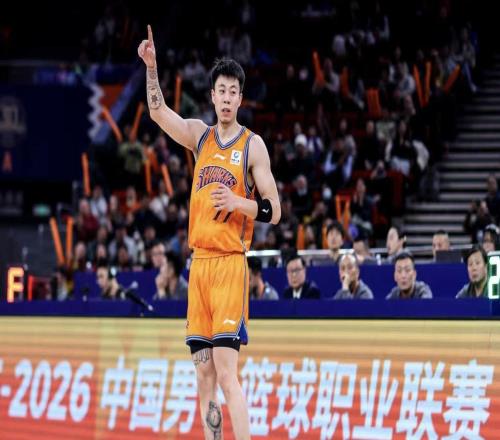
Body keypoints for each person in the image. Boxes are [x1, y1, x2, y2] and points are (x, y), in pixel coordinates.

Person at [138, 26, 281, 440]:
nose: (227, 98)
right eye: (221, 91)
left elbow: (275, 211)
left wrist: (239, 202)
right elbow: (158, 112)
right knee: (203, 376)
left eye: (233, 91)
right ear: (213, 96)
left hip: (229, 265)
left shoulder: (253, 145)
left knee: (226, 370)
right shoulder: (200, 137)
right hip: (199, 265)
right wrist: (152, 68)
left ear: (240, 98)